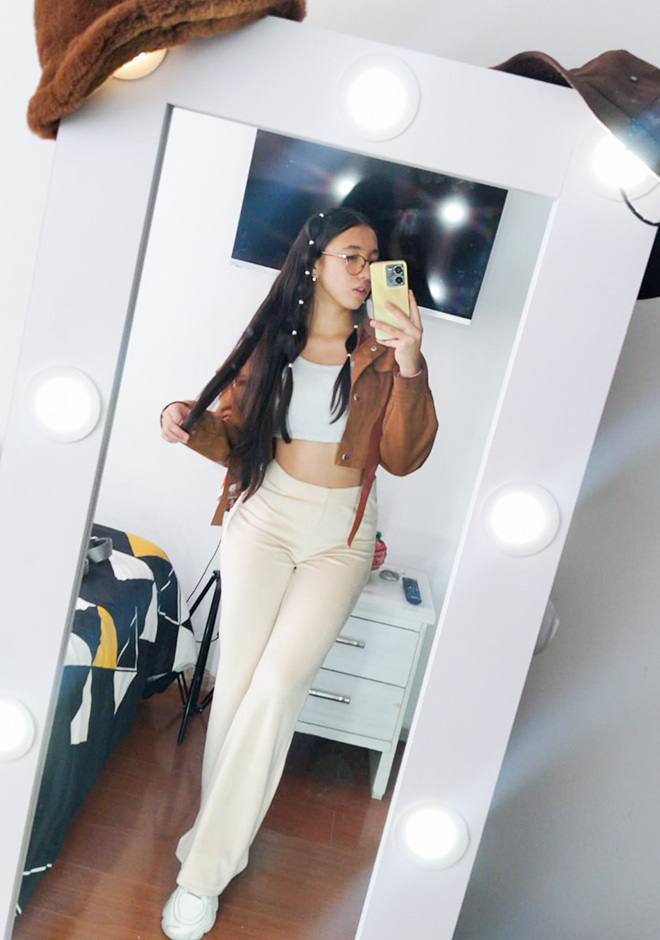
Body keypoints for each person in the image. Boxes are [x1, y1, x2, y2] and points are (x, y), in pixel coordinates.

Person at [159, 207, 438, 940]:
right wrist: (186, 420)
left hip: (341, 533)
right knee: (238, 683)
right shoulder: (269, 344)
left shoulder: (384, 349)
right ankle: (219, 842)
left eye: (374, 259)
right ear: (314, 261)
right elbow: (234, 439)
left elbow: (404, 456)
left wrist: (412, 362)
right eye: (352, 256)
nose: (366, 272)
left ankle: (201, 873)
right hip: (265, 515)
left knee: (280, 685)